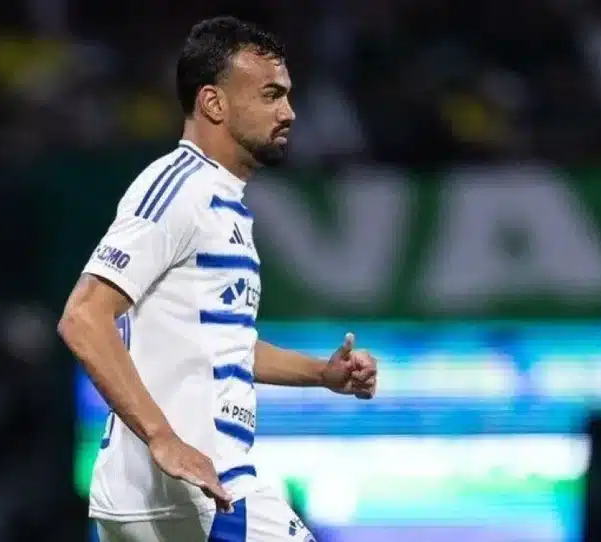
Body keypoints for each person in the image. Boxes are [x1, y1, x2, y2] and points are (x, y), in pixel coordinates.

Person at [58, 16, 379, 542]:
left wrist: (321, 374)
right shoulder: (179, 187)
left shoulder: (222, 203)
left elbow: (221, 346)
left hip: (167, 496)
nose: (289, 112)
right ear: (213, 103)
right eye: (271, 95)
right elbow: (83, 316)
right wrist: (163, 438)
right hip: (196, 490)